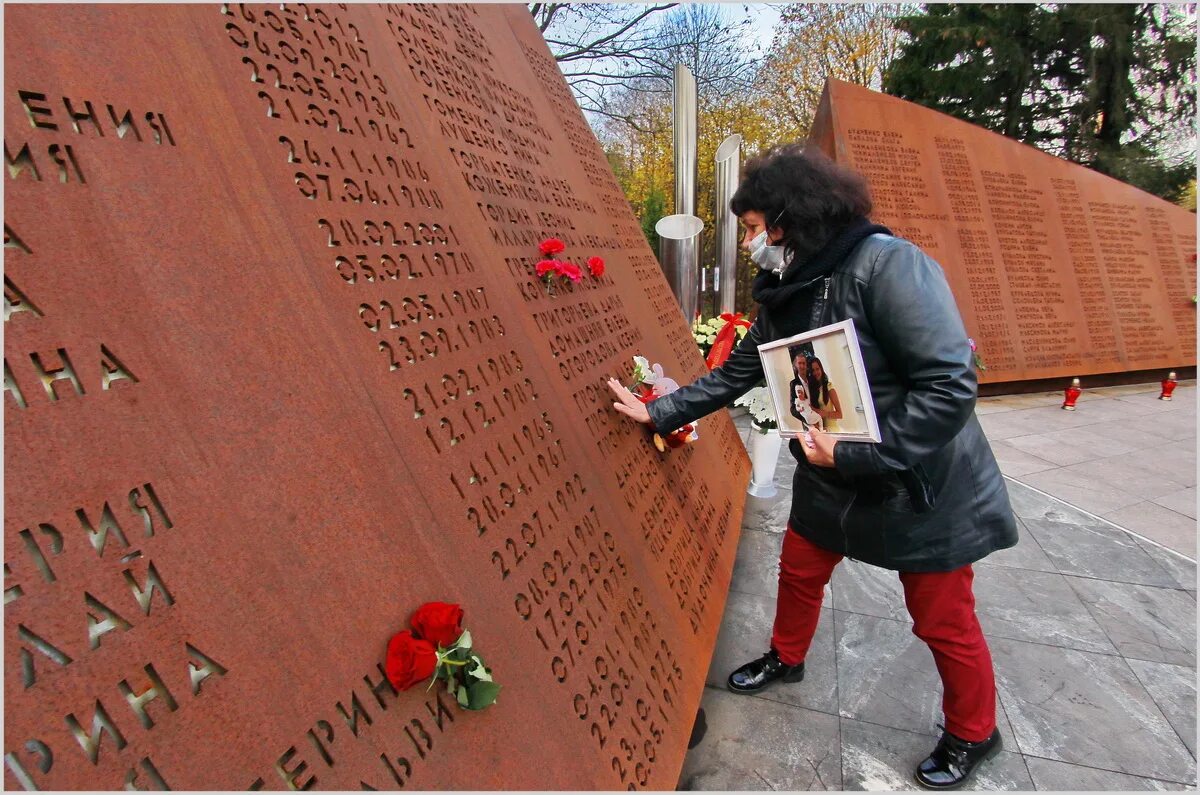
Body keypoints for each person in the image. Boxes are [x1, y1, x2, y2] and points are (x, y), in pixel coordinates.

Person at [606, 144, 1017, 790]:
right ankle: (787, 657)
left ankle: (973, 729)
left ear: (790, 219)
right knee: (799, 569)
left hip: (916, 484)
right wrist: (661, 411)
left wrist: (856, 451)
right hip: (830, 476)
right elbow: (741, 370)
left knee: (941, 616)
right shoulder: (785, 290)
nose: (748, 244)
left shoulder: (889, 266)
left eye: (751, 228)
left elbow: (948, 385)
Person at [806, 356, 842, 433]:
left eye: (817, 369)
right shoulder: (812, 389)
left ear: (821, 369)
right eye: (813, 370)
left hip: (832, 431)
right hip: (820, 432)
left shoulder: (829, 386)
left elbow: (840, 414)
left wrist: (825, 414)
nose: (815, 372)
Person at [788, 353, 821, 430]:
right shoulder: (794, 384)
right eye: (799, 363)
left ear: (807, 365)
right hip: (808, 425)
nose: (802, 366)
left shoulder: (813, 380)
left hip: (819, 418)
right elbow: (793, 410)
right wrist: (807, 421)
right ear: (795, 365)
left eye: (804, 363)